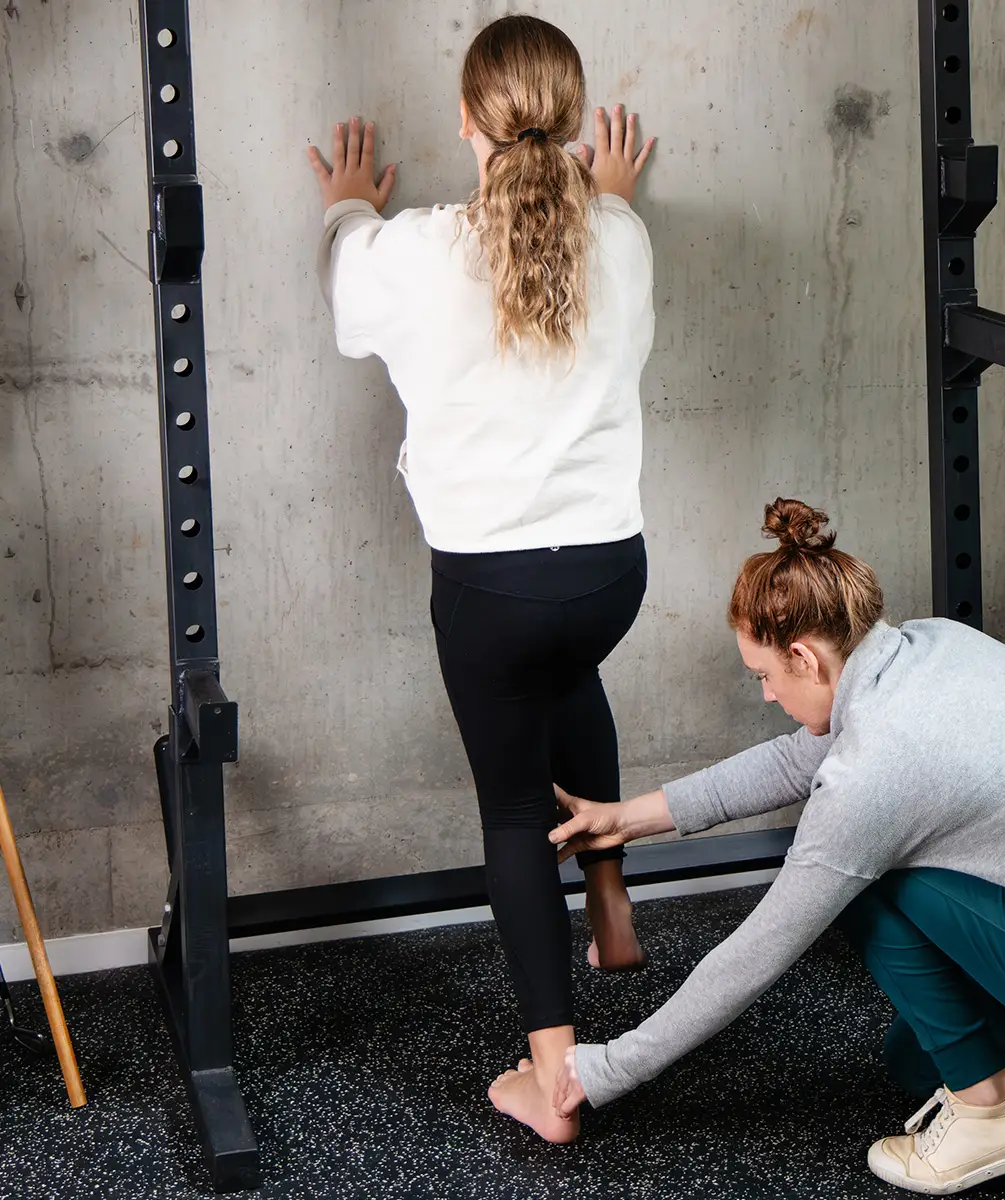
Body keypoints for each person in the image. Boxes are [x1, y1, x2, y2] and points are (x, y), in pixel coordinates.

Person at [545, 499, 1005, 1193]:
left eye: (765, 676)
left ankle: (993, 1117)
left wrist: (598, 1072)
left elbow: (756, 952)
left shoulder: (881, 765)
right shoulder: (925, 648)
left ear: (806, 656)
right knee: (914, 1060)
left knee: (863, 878)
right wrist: (623, 820)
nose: (768, 695)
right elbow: (795, 759)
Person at [307, 14, 657, 1142]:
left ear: (467, 120)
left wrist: (347, 203)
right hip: (609, 576)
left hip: (490, 593)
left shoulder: (409, 251)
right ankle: (609, 900)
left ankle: (552, 1082)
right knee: (570, 681)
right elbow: (596, 232)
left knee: (512, 811)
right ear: (572, 113)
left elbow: (349, 297)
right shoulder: (622, 236)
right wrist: (610, 194)